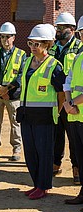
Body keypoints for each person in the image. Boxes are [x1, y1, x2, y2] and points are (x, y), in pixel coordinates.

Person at [17, 24, 66, 199]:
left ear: (47, 45)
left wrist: (57, 111)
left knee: (44, 153)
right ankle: (36, 184)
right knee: (30, 152)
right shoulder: (27, 62)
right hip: (27, 114)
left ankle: (43, 186)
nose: (32, 48)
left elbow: (62, 94)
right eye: (30, 43)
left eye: (36, 44)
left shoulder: (55, 66)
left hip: (45, 117)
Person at [49, 12, 83, 184]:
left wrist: (68, 100)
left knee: (74, 136)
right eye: (57, 27)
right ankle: (56, 163)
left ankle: (76, 168)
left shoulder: (79, 47)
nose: (59, 30)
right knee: (56, 133)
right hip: (55, 97)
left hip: (73, 102)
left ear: (72, 29)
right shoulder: (53, 47)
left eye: (62, 27)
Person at [0, 22, 26, 161]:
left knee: (15, 123)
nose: (5, 40)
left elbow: (21, 76)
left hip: (13, 94)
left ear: (14, 37)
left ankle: (16, 149)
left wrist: (7, 89)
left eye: (8, 36)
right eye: (2, 37)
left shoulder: (21, 54)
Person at [63, 15, 83, 204]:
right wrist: (68, 103)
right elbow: (68, 82)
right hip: (75, 115)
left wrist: (72, 104)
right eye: (82, 33)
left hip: (78, 112)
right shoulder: (78, 58)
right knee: (79, 155)